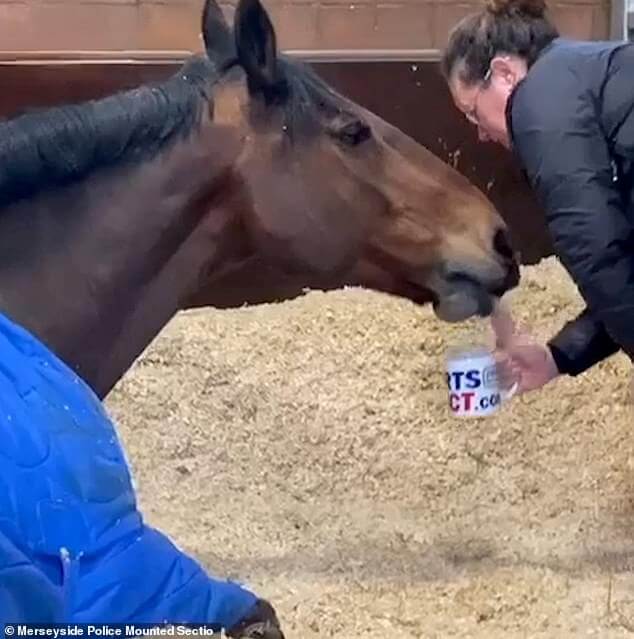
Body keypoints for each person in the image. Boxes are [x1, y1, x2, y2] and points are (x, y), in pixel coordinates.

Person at [440, 0, 634, 393]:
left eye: (474, 112)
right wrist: (559, 357)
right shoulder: (584, 74)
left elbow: (595, 249)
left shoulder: (540, 97)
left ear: (504, 74)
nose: (479, 133)